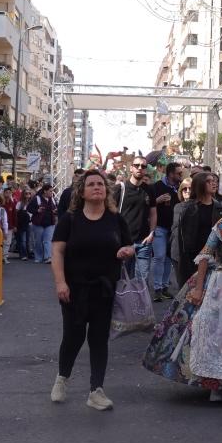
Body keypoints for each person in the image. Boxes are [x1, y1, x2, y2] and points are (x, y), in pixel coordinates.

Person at [144, 191, 222, 402]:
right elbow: (205, 256)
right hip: (220, 283)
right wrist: (198, 289)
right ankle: (216, 384)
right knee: (217, 332)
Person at [50, 170, 135, 410]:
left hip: (105, 290)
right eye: (91, 184)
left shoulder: (116, 219)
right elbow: (57, 252)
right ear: (82, 191)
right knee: (73, 337)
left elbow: (130, 246)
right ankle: (62, 378)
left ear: (106, 190)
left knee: (99, 339)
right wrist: (60, 283)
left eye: (100, 184)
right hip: (74, 290)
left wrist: (127, 251)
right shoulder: (71, 219)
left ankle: (96, 391)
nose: (97, 187)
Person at [171, 172, 222, 291]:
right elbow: (184, 242)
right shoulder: (189, 209)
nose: (213, 183)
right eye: (208, 181)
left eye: (214, 180)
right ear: (200, 185)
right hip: (193, 260)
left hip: (214, 259)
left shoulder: (219, 207)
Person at [118, 156, 157, 283]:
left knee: (142, 282)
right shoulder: (120, 188)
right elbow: (111, 214)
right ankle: (124, 303)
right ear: (131, 168)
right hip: (124, 242)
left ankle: (139, 303)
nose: (140, 168)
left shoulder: (150, 189)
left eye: (143, 166)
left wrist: (152, 233)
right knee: (123, 280)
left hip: (144, 242)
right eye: (137, 165)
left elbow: (153, 213)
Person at [150, 162, 184, 300]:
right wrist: (157, 200)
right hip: (159, 227)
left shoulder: (181, 188)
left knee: (169, 259)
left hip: (174, 229)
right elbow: (148, 204)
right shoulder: (157, 186)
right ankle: (157, 288)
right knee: (159, 256)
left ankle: (164, 287)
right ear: (170, 174)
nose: (181, 175)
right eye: (178, 173)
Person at [28, 184, 59, 264]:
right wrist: (37, 210)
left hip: (50, 223)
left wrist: (55, 211)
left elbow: (56, 208)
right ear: (45, 191)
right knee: (38, 241)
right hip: (38, 223)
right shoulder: (37, 199)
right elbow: (29, 208)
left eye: (52, 191)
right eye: (50, 191)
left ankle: (47, 257)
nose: (52, 192)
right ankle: (39, 257)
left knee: (47, 241)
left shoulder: (52, 199)